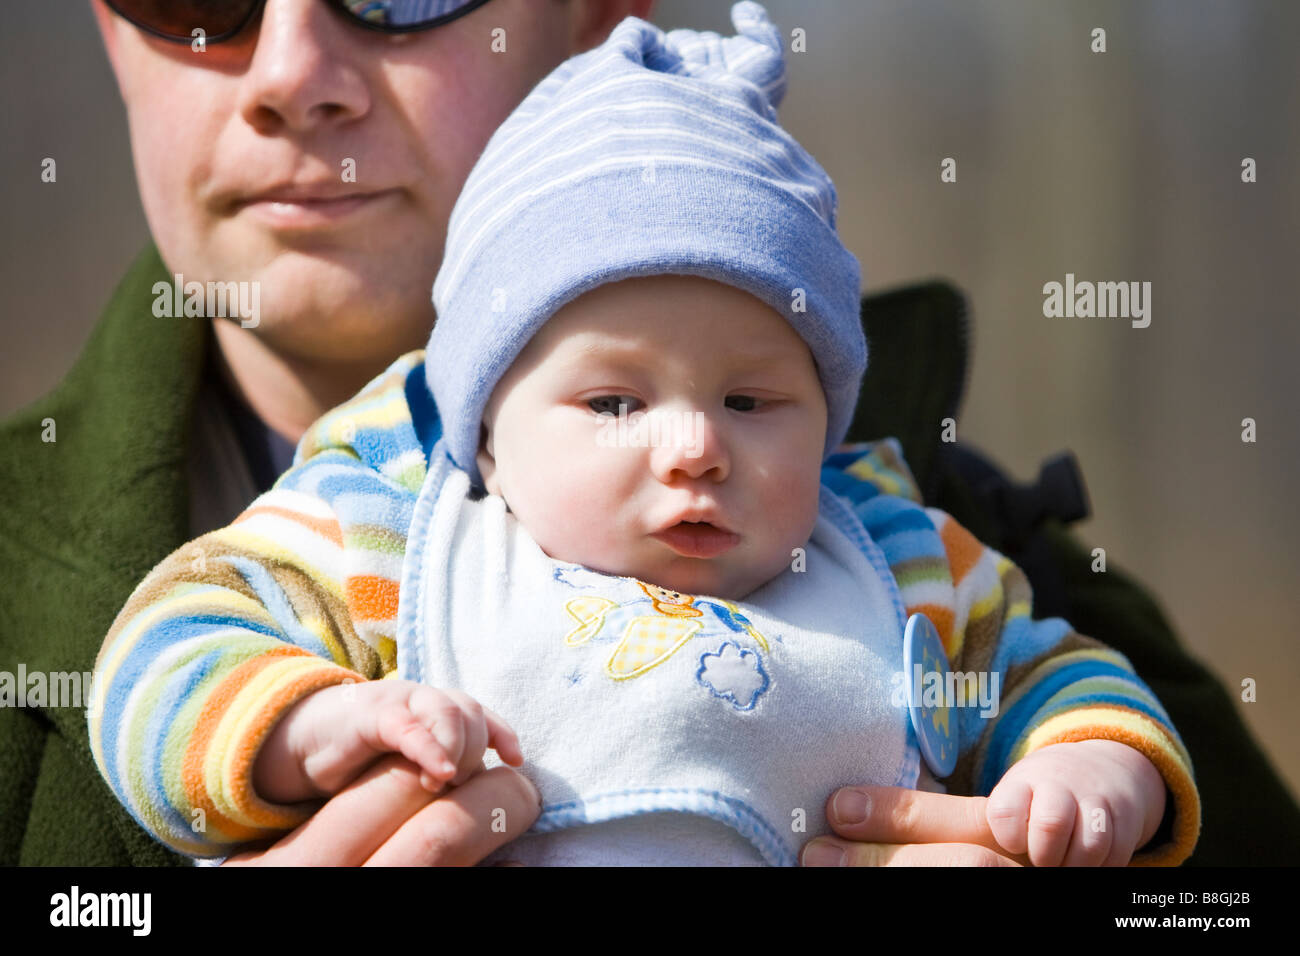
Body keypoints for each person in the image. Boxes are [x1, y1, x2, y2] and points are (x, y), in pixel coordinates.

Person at [3, 0, 1297, 867]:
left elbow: (1086, 721)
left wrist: (1094, 831)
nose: (289, 76)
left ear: (597, 10)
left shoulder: (931, 545)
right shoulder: (280, 552)